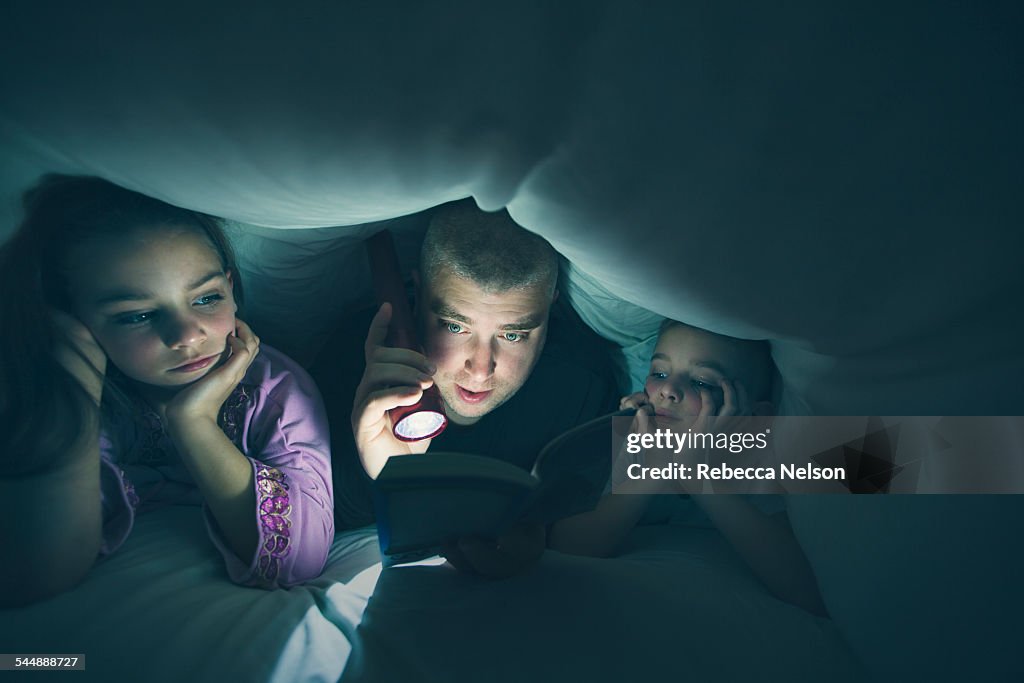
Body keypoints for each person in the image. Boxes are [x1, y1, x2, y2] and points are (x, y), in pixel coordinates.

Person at [0, 175, 334, 607]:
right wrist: (74, 367)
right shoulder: (78, 388)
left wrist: (192, 422)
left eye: (206, 299)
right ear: (76, 322)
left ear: (231, 289)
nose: (186, 335)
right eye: (136, 316)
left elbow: (299, 560)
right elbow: (43, 570)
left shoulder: (276, 391)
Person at [311, 200, 617, 576]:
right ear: (417, 294)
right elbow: (316, 523)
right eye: (455, 327)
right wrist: (385, 471)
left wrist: (536, 543)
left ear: (550, 309)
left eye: (513, 334)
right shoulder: (354, 358)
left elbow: (576, 527)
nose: (481, 368)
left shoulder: (580, 382)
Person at [548, 320, 828, 616]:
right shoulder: (638, 433)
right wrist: (656, 469)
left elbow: (804, 590)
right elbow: (568, 547)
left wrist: (697, 477)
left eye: (702, 382)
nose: (667, 389)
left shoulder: (759, 454)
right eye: (659, 373)